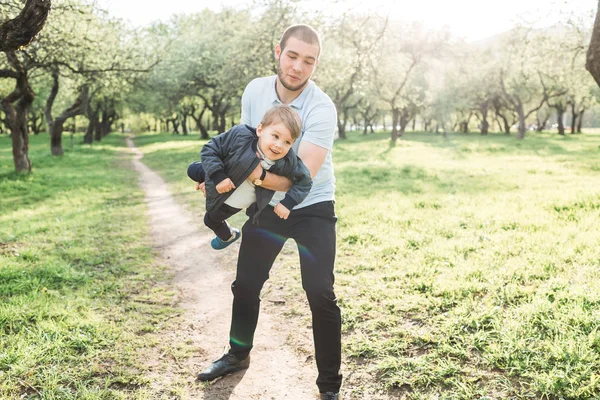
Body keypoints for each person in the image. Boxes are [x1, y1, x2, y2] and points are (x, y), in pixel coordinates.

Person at [196, 24, 341, 400]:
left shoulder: (322, 107)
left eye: (309, 61)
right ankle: (237, 355)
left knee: (320, 293)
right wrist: (219, 178)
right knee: (245, 284)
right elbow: (242, 144)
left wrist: (246, 175)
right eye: (292, 56)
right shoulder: (255, 90)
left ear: (315, 64)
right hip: (263, 206)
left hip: (312, 207)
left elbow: (299, 177)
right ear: (278, 52)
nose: (298, 67)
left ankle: (329, 387)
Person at [187, 104, 312, 249]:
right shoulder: (241, 135)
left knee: (210, 219)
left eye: (287, 142)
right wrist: (217, 176)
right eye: (275, 136)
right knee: (193, 169)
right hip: (223, 174)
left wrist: (288, 203)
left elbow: (305, 181)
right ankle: (208, 178)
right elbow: (211, 148)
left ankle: (228, 236)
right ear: (260, 130)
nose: (279, 145)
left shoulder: (288, 161)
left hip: (232, 202)